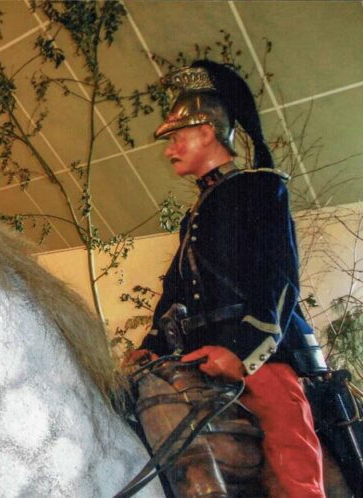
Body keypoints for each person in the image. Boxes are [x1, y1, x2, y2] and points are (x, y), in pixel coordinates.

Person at [130, 60, 327, 498]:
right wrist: (150, 346)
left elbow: (280, 282)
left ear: (206, 133)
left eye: (177, 138)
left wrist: (242, 354)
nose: (169, 150)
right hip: (200, 358)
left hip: (263, 357)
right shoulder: (194, 214)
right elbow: (176, 293)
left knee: (291, 456)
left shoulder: (261, 188)